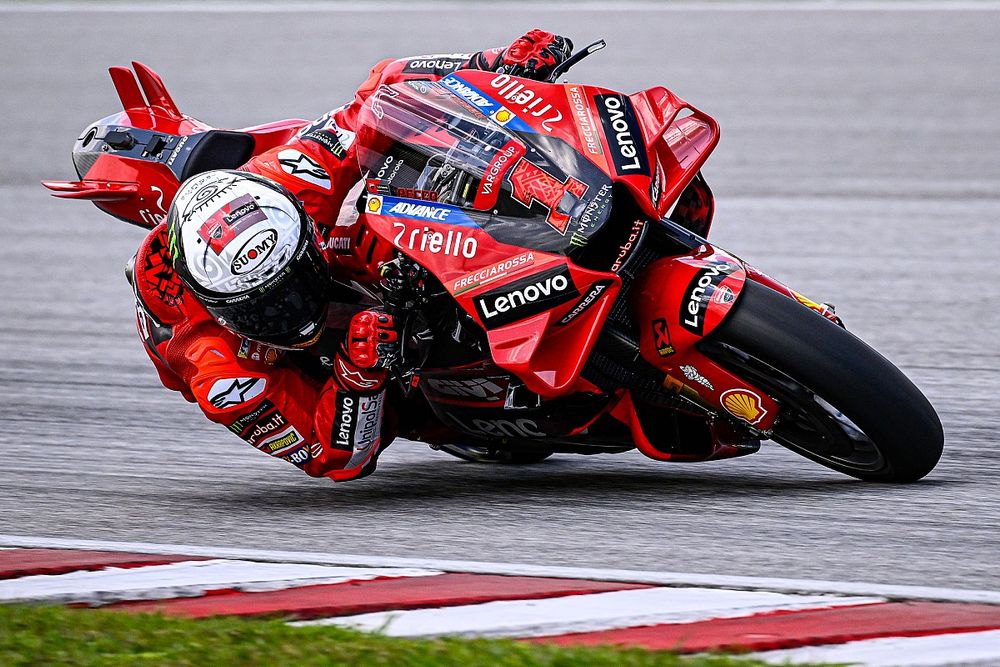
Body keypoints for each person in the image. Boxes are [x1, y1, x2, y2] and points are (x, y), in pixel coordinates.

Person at [130, 31, 574, 481]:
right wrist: (356, 376)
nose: (297, 307)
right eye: (272, 306)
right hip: (311, 373)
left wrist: (494, 62)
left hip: (292, 213)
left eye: (296, 281)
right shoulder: (219, 371)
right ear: (221, 309)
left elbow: (382, 89)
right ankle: (450, 403)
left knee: (381, 210)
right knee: (390, 391)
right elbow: (336, 459)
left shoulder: (295, 179)